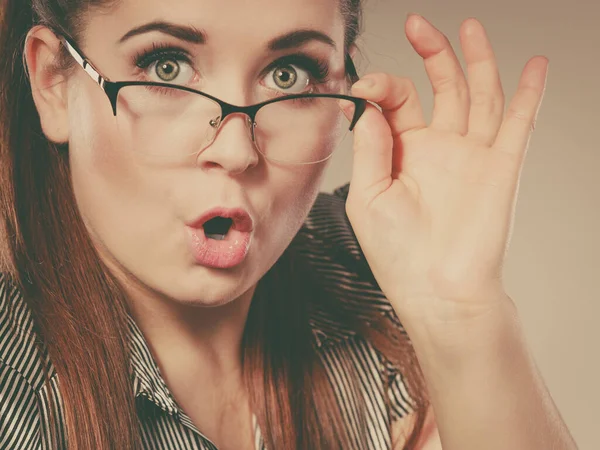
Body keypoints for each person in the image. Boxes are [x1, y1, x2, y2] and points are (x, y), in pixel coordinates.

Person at [0, 0, 578, 448]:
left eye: (289, 76)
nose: (235, 149)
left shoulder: (374, 273)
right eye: (166, 65)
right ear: (53, 80)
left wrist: (462, 316)